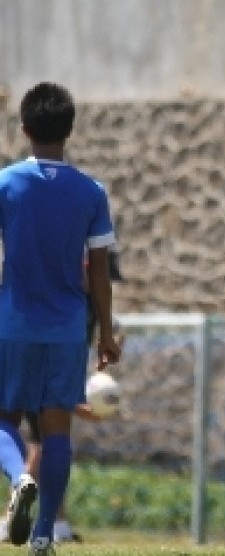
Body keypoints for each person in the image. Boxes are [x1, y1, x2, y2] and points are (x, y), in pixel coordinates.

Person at [0, 82, 121, 555]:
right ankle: (45, 534)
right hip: (68, 326)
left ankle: (16, 480)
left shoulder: (6, 184)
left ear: (25, 127)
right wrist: (106, 333)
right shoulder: (91, 192)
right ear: (69, 130)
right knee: (56, 432)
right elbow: (100, 273)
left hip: (14, 321)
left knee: (4, 420)